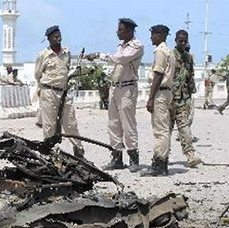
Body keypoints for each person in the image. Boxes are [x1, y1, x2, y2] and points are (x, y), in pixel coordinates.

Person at [85, 18, 144, 172]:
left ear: (129, 31)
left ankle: (133, 158)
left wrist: (99, 55)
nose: (117, 32)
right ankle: (116, 157)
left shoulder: (137, 46)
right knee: (113, 124)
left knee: (128, 124)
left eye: (120, 29)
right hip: (115, 88)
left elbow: (121, 60)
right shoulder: (121, 46)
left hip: (127, 89)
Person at [34, 25, 84, 158]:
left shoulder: (66, 53)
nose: (58, 38)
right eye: (55, 36)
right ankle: (50, 153)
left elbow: (67, 70)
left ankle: (79, 151)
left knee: (70, 122)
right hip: (48, 92)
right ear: (49, 39)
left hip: (63, 92)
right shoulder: (43, 55)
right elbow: (37, 74)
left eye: (59, 35)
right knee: (49, 125)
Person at [140, 25, 175, 177]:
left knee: (160, 130)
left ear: (161, 35)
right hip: (167, 93)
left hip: (160, 93)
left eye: (153, 34)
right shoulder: (169, 51)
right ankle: (162, 163)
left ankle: (159, 164)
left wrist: (151, 98)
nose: (151, 37)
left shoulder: (160, 51)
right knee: (164, 129)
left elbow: (158, 75)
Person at [171, 30, 202, 168]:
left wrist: (189, 97)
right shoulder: (170, 56)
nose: (183, 43)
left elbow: (190, 77)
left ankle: (190, 155)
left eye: (185, 41)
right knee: (166, 130)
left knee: (184, 128)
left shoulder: (189, 57)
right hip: (170, 98)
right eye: (180, 41)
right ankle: (161, 158)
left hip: (183, 99)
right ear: (176, 40)